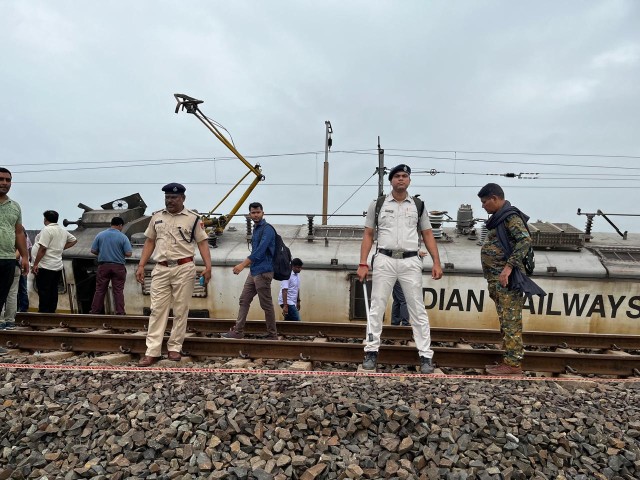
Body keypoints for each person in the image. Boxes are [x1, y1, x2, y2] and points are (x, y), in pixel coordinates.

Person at [357, 164, 443, 373]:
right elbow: (369, 234)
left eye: (405, 176)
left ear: (409, 181)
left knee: (417, 309)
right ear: (391, 180)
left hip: (410, 261)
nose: (401, 179)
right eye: (397, 176)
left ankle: (425, 356)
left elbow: (428, 234)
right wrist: (363, 263)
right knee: (377, 306)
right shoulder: (377, 205)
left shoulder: (418, 205)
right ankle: (371, 352)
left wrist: (436, 262)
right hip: (384, 259)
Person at [136, 183, 212, 367]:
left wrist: (208, 266)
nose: (170, 200)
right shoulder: (156, 217)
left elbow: (202, 242)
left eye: (174, 198)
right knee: (157, 310)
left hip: (184, 268)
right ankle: (152, 351)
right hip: (160, 268)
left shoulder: (193, 219)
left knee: (180, 309)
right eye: (167, 197)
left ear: (183, 199)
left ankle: (174, 348)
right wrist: (141, 265)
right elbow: (149, 241)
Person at [478, 183, 545, 376]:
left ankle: (513, 364)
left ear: (494, 198)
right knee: (506, 321)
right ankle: (508, 360)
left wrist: (508, 268)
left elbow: (525, 240)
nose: (483, 206)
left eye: (484, 202)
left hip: (508, 280)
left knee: (511, 321)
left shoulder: (511, 217)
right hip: (499, 281)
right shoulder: (500, 219)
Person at [222, 202, 277, 339]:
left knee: (266, 304)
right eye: (253, 212)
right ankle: (238, 331)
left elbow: (260, 251)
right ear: (249, 214)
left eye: (258, 212)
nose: (256, 215)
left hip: (263, 271)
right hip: (254, 271)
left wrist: (242, 265)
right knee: (244, 300)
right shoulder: (256, 229)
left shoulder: (267, 229)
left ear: (263, 213)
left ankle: (272, 334)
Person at [32, 210, 77, 313]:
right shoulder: (62, 230)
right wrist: (61, 248)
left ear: (45, 219)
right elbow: (74, 240)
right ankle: (52, 312)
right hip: (57, 265)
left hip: (45, 265)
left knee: (43, 290)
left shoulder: (47, 230)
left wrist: (35, 264)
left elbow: (43, 248)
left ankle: (44, 313)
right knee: (53, 290)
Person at [89, 217, 133, 315]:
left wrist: (103, 252)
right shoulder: (123, 237)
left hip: (103, 266)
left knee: (100, 290)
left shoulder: (100, 235)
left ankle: (95, 311)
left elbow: (93, 250)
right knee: (118, 291)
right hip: (118, 267)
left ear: (111, 224)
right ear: (120, 225)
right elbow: (129, 253)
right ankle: (120, 312)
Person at [17, 227, 32, 312]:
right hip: (24, 264)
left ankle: (21, 307)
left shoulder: (19, 239)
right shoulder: (27, 238)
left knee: (16, 288)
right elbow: (29, 250)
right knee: (23, 288)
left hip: (18, 264)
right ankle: (23, 308)